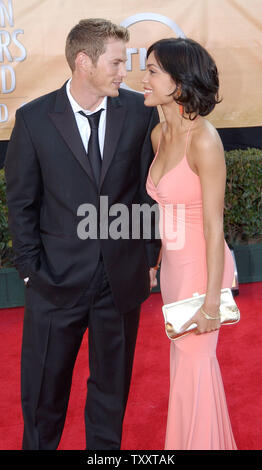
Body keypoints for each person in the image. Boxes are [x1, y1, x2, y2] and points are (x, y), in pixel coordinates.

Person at [5, 18, 160, 450]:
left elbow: (146, 194)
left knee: (111, 398)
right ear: (83, 61)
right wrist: (32, 273)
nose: (123, 72)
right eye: (115, 62)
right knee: (43, 397)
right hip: (54, 283)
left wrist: (148, 258)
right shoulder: (34, 120)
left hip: (119, 284)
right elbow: (21, 203)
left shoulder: (136, 113)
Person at [143, 37, 237, 450]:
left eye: (151, 71)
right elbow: (170, 211)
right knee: (184, 370)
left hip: (203, 272)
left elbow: (214, 227)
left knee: (195, 370)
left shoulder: (205, 141)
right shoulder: (158, 135)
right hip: (174, 272)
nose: (141, 79)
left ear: (178, 83)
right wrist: (158, 260)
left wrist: (213, 303)